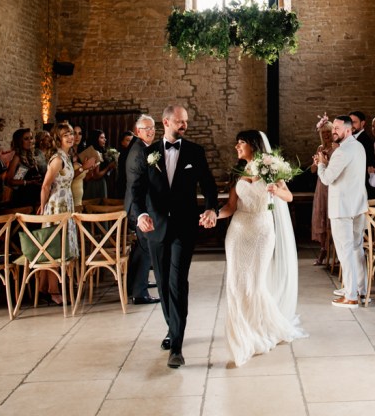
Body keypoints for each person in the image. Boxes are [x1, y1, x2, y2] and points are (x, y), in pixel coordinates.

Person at [130, 103, 218, 369]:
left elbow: (209, 185)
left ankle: (176, 347)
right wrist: (140, 214)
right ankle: (172, 328)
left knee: (177, 283)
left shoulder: (195, 151)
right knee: (163, 282)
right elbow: (135, 191)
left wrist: (211, 208)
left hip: (184, 228)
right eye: (180, 122)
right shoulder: (149, 154)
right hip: (155, 229)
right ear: (166, 122)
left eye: (186, 122)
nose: (184, 126)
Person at [217, 130, 305, 367]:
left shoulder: (269, 166)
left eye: (241, 142)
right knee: (236, 284)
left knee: (255, 283)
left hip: (262, 230)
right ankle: (241, 336)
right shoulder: (238, 171)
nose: (237, 146)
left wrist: (276, 191)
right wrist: (214, 216)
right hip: (238, 231)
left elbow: (288, 196)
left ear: (253, 145)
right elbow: (230, 206)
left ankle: (259, 328)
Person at [315, 114, 367, 308]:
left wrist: (321, 162)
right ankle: (360, 291)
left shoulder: (342, 150)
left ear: (348, 130)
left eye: (337, 128)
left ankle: (351, 295)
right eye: (333, 128)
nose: (333, 131)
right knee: (356, 249)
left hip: (342, 208)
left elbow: (328, 179)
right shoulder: (359, 147)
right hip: (357, 206)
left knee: (346, 252)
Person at [37, 121, 79, 303]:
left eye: (71, 133)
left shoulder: (67, 156)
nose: (70, 137)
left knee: (62, 246)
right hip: (56, 205)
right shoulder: (57, 159)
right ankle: (52, 290)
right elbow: (46, 185)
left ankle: (51, 287)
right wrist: (43, 207)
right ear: (58, 139)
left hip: (66, 203)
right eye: (65, 135)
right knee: (55, 247)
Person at [124, 113, 159, 304]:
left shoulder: (142, 148)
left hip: (137, 206)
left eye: (153, 128)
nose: (151, 132)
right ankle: (140, 293)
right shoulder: (139, 152)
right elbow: (140, 184)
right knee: (145, 248)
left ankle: (135, 285)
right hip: (138, 208)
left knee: (141, 248)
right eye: (147, 129)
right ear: (138, 131)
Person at [311, 117, 333, 264]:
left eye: (328, 132)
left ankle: (332, 251)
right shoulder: (320, 148)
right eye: (323, 133)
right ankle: (322, 250)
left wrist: (326, 162)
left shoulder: (336, 148)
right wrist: (316, 163)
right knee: (321, 214)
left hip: (331, 185)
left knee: (330, 216)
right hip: (321, 186)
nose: (326, 135)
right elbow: (313, 170)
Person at [4, 128, 43, 210]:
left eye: (31, 138)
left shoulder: (30, 156)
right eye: (26, 139)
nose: (30, 141)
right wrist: (28, 182)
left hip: (34, 196)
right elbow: (9, 181)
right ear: (19, 141)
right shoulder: (16, 157)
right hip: (22, 198)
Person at [82, 128, 116, 202]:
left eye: (104, 137)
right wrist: (108, 167)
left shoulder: (97, 151)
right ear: (95, 139)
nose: (105, 140)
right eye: (102, 137)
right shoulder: (95, 153)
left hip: (97, 182)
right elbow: (96, 175)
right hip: (95, 184)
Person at [350, 110, 375, 196]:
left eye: (354, 122)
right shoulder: (351, 138)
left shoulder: (365, 140)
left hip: (362, 185)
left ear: (362, 123)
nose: (351, 125)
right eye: (350, 122)